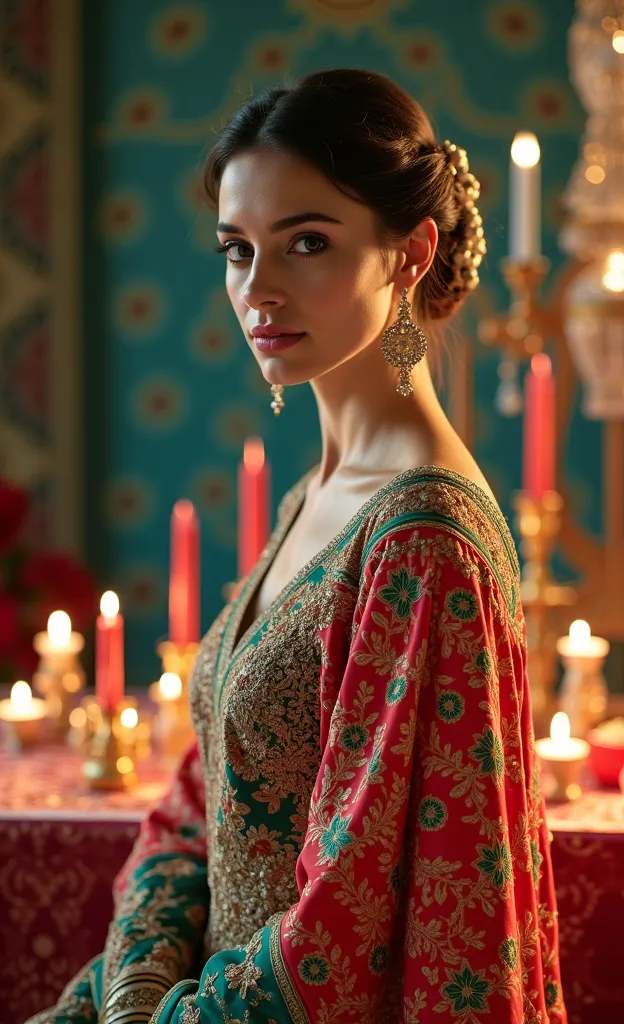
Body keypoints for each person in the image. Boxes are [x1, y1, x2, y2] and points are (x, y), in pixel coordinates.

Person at [30, 68, 566, 1024]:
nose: (257, 290)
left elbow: (347, 924)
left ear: (409, 255)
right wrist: (136, 990)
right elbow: (203, 793)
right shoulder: (313, 496)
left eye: (306, 243)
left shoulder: (422, 543)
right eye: (236, 251)